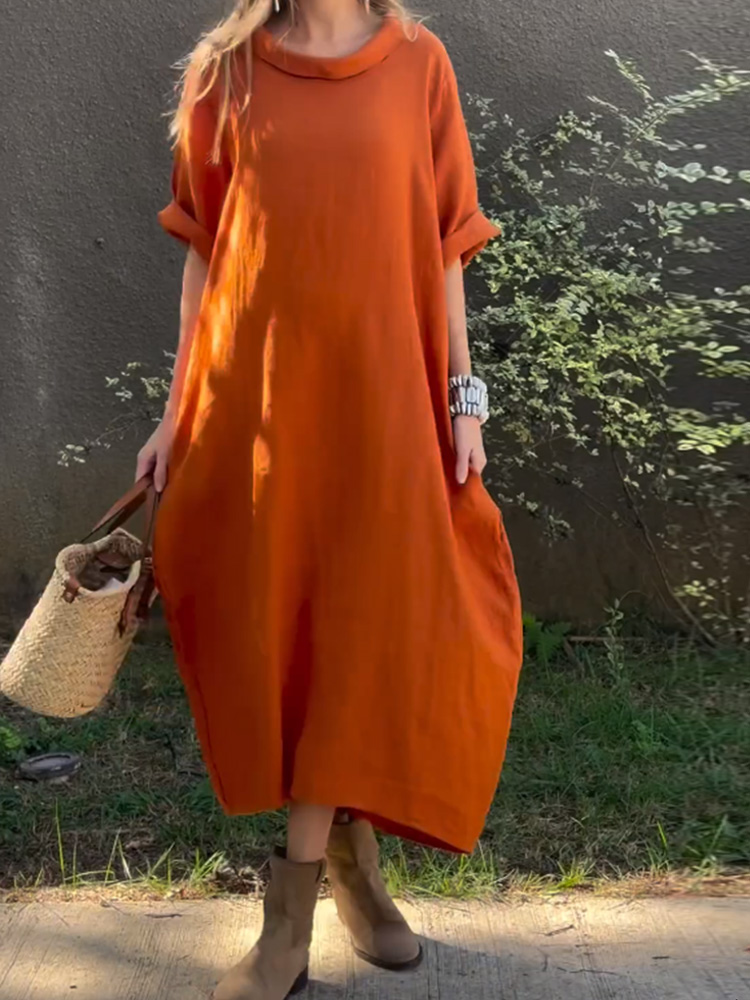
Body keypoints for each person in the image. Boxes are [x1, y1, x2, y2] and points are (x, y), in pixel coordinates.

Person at [137, 0, 523, 997]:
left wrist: (465, 404)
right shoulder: (226, 71)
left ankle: (290, 924)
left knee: (363, 628)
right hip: (264, 412)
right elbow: (203, 254)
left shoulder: (420, 64)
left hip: (387, 408)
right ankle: (351, 870)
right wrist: (176, 414)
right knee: (299, 634)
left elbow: (447, 246)